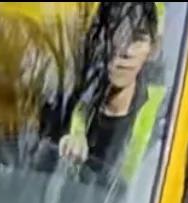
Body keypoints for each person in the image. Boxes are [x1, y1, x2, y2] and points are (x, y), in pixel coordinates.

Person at [58, 1, 163, 181]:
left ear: (152, 49)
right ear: (101, 39)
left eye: (138, 38)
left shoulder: (165, 117)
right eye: (117, 33)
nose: (126, 51)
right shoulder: (69, 108)